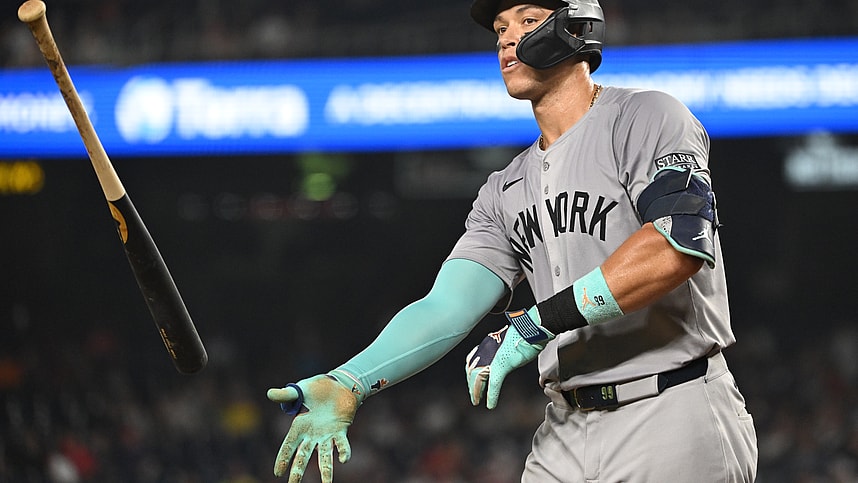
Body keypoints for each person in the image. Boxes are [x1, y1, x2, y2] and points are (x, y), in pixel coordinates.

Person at [266, 0, 759, 481]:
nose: (506, 37)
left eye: (527, 19)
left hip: (671, 405)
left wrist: (538, 323)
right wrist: (349, 380)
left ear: (578, 25)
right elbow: (445, 307)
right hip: (565, 424)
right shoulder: (505, 188)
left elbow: (675, 247)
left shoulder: (645, 116)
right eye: (500, 27)